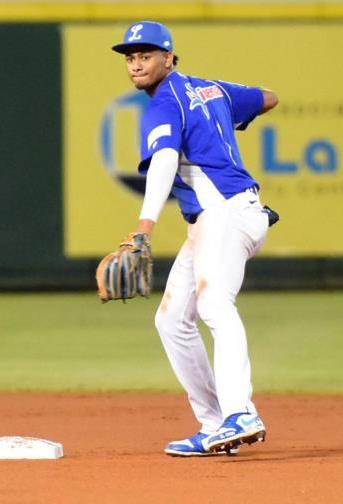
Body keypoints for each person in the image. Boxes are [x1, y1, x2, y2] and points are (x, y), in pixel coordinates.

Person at [110, 21, 279, 457]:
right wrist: (218, 113)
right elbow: (268, 98)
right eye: (131, 57)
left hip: (225, 213)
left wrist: (144, 228)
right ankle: (217, 424)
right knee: (171, 321)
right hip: (224, 217)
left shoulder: (164, 103)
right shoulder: (211, 89)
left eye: (146, 55)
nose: (136, 64)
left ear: (168, 58)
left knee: (214, 304)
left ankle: (240, 412)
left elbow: (165, 161)